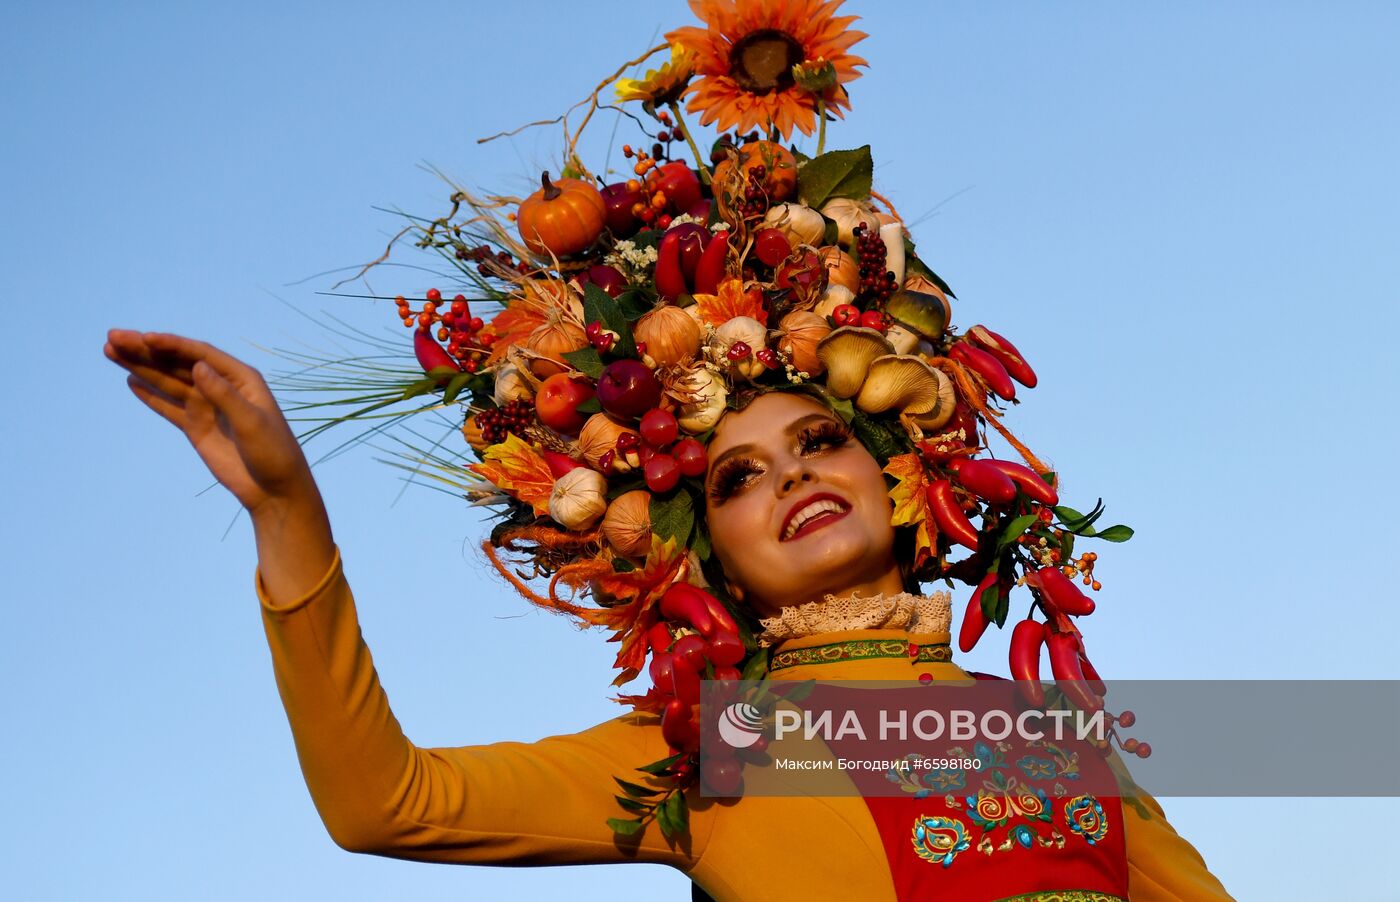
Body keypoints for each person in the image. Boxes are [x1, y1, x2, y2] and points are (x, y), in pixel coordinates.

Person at [104, 329, 1234, 901]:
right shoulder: (715, 745)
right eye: (737, 477)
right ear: (712, 563)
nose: (789, 476)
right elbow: (386, 803)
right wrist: (286, 509)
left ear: (900, 480)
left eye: (818, 440)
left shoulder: (1053, 735)